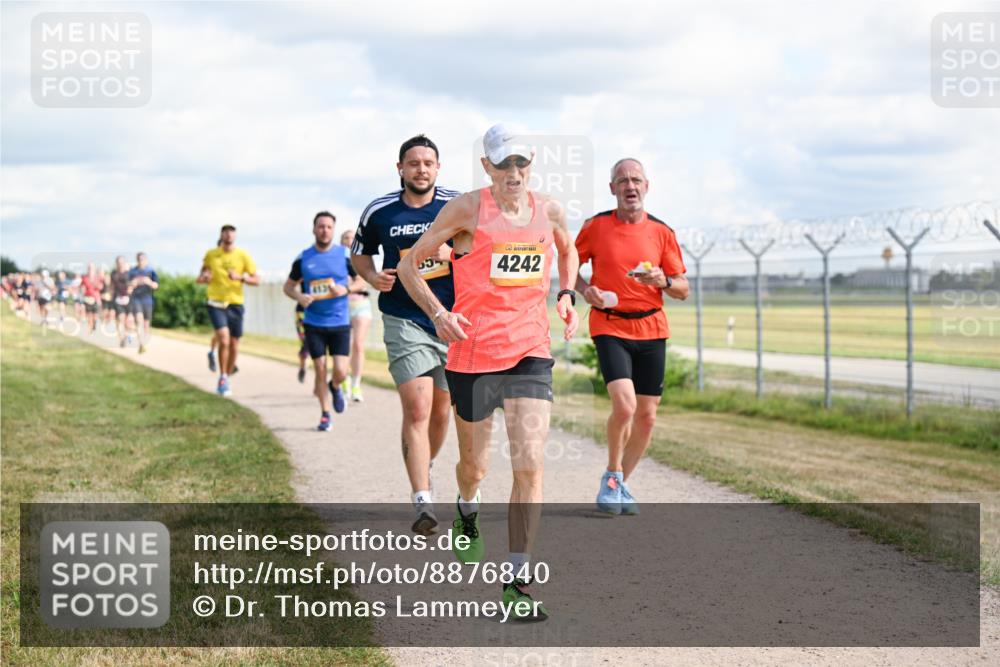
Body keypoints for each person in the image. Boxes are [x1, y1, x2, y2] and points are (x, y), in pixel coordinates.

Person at [398, 123, 579, 621]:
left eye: (521, 162)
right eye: (503, 164)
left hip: (530, 350)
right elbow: (412, 266)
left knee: (530, 464)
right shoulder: (467, 210)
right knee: (475, 467)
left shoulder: (551, 210)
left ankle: (516, 582)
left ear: (532, 161)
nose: (513, 172)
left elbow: (569, 249)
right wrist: (439, 314)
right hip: (473, 354)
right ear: (486, 167)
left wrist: (566, 294)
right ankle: (467, 506)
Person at [351, 134, 460, 535]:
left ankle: (423, 460)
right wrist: (370, 275)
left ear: (437, 167)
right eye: (413, 163)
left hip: (449, 320)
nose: (421, 169)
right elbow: (360, 253)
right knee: (417, 407)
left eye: (428, 163)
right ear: (400, 169)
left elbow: (481, 247)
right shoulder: (380, 211)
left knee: (442, 411)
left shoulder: (456, 204)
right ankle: (423, 500)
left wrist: (454, 256)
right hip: (402, 318)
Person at [575, 158, 689, 515]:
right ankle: (612, 475)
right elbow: (567, 266)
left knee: (647, 417)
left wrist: (664, 282)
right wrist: (584, 289)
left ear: (646, 186)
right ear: (612, 188)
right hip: (609, 324)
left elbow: (683, 288)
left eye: (636, 180)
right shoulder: (595, 226)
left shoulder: (661, 232)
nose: (630, 186)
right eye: (622, 180)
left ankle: (619, 482)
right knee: (625, 406)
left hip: (652, 326)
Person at [284, 212, 358, 431]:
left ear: (333, 230)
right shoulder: (304, 257)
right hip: (314, 322)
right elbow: (288, 286)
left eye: (328, 227)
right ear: (314, 229)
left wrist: (345, 289)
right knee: (319, 367)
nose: (324, 230)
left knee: (341, 371)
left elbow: (362, 281)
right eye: (321, 226)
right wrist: (300, 296)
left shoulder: (345, 255)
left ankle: (335, 386)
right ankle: (325, 414)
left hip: (339, 321)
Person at [197, 224, 260, 396]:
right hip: (215, 302)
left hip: (236, 303)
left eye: (231, 233)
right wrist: (205, 277)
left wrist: (241, 277)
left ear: (235, 236)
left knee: (234, 343)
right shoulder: (211, 255)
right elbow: (201, 276)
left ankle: (228, 373)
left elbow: (256, 280)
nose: (228, 236)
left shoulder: (243, 255)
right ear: (221, 235)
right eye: (225, 233)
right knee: (223, 339)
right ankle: (223, 377)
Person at [340, 228, 372, 402]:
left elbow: (367, 280)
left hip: (361, 304)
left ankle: (356, 384)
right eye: (346, 238)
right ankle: (343, 380)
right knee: (344, 346)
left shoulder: (363, 258)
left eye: (352, 238)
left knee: (358, 345)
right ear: (341, 241)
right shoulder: (337, 260)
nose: (349, 240)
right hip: (342, 306)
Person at [128, 252, 159, 354]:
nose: (141, 261)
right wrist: (132, 284)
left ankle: (144, 343)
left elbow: (156, 286)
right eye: (139, 259)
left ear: (146, 260)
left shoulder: (151, 271)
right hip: (136, 299)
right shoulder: (132, 271)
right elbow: (128, 289)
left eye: (143, 259)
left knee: (146, 324)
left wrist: (148, 282)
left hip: (148, 300)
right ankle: (141, 343)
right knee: (139, 320)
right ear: (137, 260)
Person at [109, 256, 133, 347]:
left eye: (122, 262)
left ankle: (127, 336)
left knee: (129, 321)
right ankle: (122, 339)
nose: (120, 264)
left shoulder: (129, 273)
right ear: (116, 263)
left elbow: (133, 283)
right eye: (118, 262)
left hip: (128, 299)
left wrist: (131, 288)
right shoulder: (113, 273)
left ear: (124, 263)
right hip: (118, 299)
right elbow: (111, 286)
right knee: (121, 319)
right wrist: (111, 298)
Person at [79, 263, 103, 333]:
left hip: (96, 298)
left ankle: (94, 324)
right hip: (87, 298)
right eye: (89, 268)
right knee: (89, 315)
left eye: (92, 268)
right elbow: (82, 287)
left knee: (95, 315)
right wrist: (82, 292)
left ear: (94, 269)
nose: (90, 269)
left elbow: (101, 287)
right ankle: (90, 330)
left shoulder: (98, 277)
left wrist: (98, 286)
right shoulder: (84, 278)